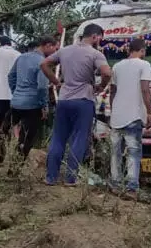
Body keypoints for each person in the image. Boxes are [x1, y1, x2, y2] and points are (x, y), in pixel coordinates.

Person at [41, 23, 111, 186]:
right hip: (83, 101)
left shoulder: (64, 50)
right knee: (79, 139)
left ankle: (51, 177)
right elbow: (107, 72)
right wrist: (101, 86)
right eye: (99, 38)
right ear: (95, 36)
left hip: (64, 99)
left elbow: (44, 64)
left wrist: (56, 82)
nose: (99, 41)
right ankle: (70, 178)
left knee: (58, 138)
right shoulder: (95, 54)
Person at [108, 38, 151, 199]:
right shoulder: (144, 65)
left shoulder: (117, 66)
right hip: (134, 115)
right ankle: (131, 188)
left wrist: (114, 110)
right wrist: (149, 111)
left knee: (115, 152)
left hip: (117, 116)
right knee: (133, 152)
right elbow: (145, 89)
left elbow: (112, 91)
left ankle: (114, 184)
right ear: (142, 50)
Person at [4, 36, 59, 171]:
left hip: (16, 103)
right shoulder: (43, 62)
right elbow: (41, 87)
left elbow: (11, 77)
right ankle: (14, 170)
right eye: (55, 49)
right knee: (26, 139)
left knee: (5, 129)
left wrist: (16, 92)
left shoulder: (22, 57)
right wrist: (43, 105)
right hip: (32, 106)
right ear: (47, 45)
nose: (55, 53)